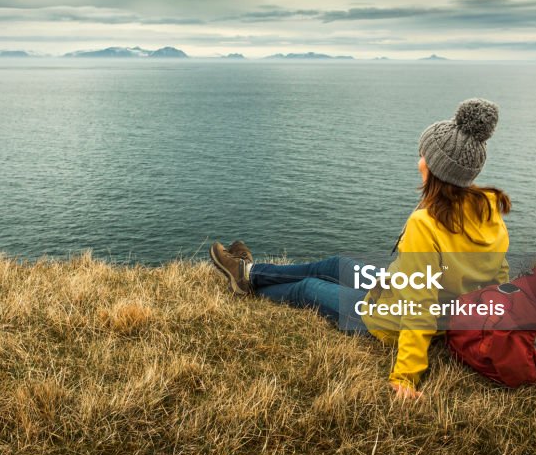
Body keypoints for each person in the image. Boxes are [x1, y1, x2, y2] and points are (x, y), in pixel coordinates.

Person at [209, 98, 511, 401]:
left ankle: (247, 284)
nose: (417, 161)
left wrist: (406, 375)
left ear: (436, 167)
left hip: (386, 319)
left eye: (422, 155)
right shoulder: (489, 211)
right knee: (334, 265)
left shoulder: (426, 223)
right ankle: (248, 272)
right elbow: (498, 278)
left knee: (308, 288)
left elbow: (420, 307)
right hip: (403, 291)